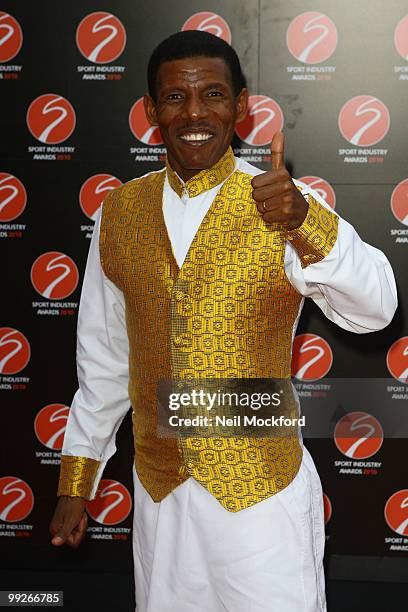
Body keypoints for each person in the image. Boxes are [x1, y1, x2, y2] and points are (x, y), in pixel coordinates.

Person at [49, 30, 397, 612]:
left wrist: (306, 221)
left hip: (261, 492)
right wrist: (76, 480)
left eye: (212, 95)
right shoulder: (119, 213)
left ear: (240, 107)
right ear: (149, 109)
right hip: (161, 493)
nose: (194, 113)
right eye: (175, 97)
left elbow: (377, 309)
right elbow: (105, 360)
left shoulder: (281, 200)